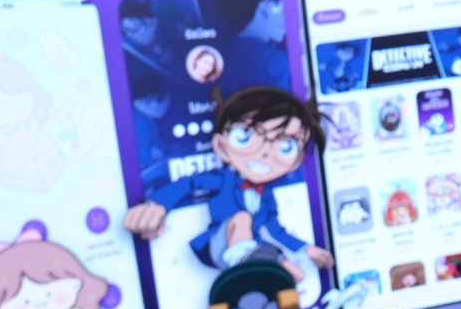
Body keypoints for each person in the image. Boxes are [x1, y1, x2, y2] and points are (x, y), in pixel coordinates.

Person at [123, 84, 335, 287]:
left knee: (296, 275)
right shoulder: (225, 180)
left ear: (296, 162)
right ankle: (241, 272)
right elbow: (190, 183)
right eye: (246, 136)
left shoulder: (267, 196)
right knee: (242, 218)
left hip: (255, 247)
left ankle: (257, 282)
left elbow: (276, 230)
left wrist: (308, 249)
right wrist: (158, 204)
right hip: (217, 245)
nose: (265, 152)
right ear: (222, 146)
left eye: (286, 145)